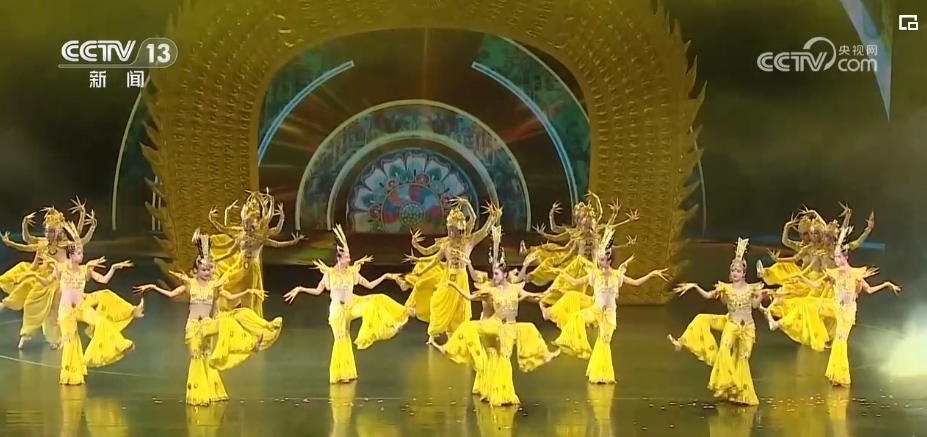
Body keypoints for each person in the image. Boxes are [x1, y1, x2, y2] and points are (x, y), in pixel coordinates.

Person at [133, 229, 282, 406]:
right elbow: (172, 295)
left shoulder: (214, 286)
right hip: (193, 327)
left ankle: (250, 345)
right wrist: (152, 287)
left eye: (209, 269)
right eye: (203, 269)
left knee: (227, 323)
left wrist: (248, 291)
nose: (207, 272)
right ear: (195, 271)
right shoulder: (190, 285)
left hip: (207, 324)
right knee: (198, 357)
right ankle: (200, 395)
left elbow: (230, 296)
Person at [434, 225, 559, 406]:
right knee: (478, 337)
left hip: (508, 327)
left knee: (521, 337)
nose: (494, 276)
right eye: (493, 273)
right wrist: (456, 283)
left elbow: (529, 295)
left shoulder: (514, 288)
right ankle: (450, 350)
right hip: (492, 324)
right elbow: (471, 295)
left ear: (505, 275)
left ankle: (542, 356)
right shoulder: (490, 289)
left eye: (497, 273)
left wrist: (545, 290)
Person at [283, 225, 411, 384]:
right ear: (339, 258)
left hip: (352, 305)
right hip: (337, 312)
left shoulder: (352, 272)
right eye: (346, 257)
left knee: (375, 300)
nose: (349, 260)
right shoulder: (329, 274)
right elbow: (318, 291)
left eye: (349, 257)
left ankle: (382, 326)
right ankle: (342, 373)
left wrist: (385, 276)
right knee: (342, 339)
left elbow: (370, 285)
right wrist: (300, 288)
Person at [773, 226, 899, 387]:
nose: (836, 260)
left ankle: (841, 375)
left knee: (841, 340)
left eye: (838, 257)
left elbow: (868, 290)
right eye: (835, 257)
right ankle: (835, 373)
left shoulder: (856, 274)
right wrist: (801, 277)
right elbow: (816, 284)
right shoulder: (834, 274)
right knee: (837, 338)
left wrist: (886, 284)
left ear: (845, 257)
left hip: (848, 312)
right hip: (837, 309)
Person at [26, 220, 142, 386]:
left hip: (82, 307)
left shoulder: (85, 269)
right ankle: (71, 375)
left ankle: (119, 344)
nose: (82, 256)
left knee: (100, 322)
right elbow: (47, 281)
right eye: (79, 253)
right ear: (71, 255)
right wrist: (34, 276)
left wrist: (114, 268)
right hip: (66, 310)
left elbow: (103, 280)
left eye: (82, 253)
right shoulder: (61, 268)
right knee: (70, 341)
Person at [551, 227, 668, 384]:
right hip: (596, 310)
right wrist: (560, 272)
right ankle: (577, 346)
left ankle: (601, 375)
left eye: (602, 259)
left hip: (610, 314)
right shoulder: (594, 274)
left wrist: (651, 274)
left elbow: (636, 282)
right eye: (599, 259)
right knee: (577, 316)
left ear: (609, 260)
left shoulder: (617, 275)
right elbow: (574, 282)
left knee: (604, 341)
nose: (599, 262)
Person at [668, 238, 775, 406]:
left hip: (747, 328)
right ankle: (724, 382)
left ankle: (740, 393)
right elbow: (709, 296)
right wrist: (695, 286)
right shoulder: (725, 288)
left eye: (738, 271)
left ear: (743, 273)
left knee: (743, 358)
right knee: (723, 348)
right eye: (733, 270)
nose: (735, 273)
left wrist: (761, 295)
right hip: (731, 324)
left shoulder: (751, 288)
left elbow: (755, 306)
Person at [402, 198, 502, 345]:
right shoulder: (446, 244)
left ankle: (455, 333)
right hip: (448, 277)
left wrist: (491, 218)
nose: (450, 232)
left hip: (461, 278)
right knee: (438, 302)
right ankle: (433, 333)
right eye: (449, 229)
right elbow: (433, 257)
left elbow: (483, 229)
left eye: (453, 230)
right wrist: (417, 250)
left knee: (459, 309)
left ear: (459, 229)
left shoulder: (469, 241)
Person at [0, 201, 97, 349]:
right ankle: (25, 331)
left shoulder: (67, 246)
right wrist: (23, 227)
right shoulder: (43, 243)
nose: (48, 234)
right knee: (31, 301)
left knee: (55, 309)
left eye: (52, 231)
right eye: (46, 231)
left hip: (60, 279)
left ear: (59, 231)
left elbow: (80, 240)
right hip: (44, 276)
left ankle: (56, 338)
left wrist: (89, 223)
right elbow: (27, 242)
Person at [207, 190, 302, 317]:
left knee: (250, 294)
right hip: (239, 266)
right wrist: (216, 258)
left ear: (255, 223)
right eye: (245, 223)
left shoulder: (259, 238)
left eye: (249, 224)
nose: (246, 226)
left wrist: (291, 238)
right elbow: (228, 243)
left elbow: (277, 241)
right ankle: (225, 309)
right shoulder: (240, 237)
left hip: (252, 269)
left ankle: (249, 315)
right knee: (226, 283)